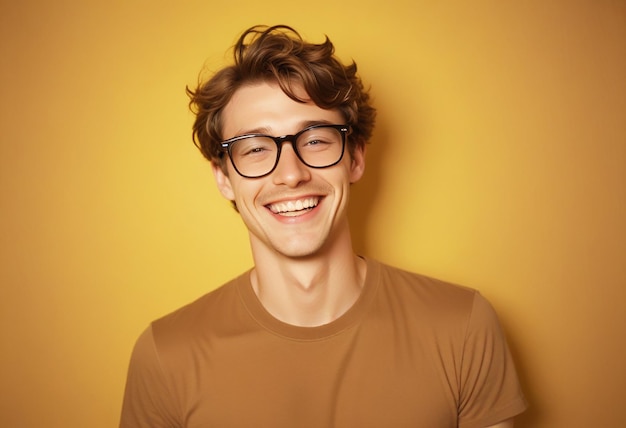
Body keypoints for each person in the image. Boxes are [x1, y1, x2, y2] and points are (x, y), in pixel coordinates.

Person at [120, 25, 527, 428]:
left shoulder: (462, 326)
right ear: (224, 177)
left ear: (355, 158)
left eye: (315, 140)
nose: (291, 174)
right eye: (256, 148)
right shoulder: (165, 355)